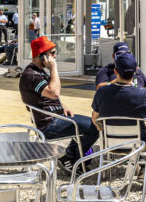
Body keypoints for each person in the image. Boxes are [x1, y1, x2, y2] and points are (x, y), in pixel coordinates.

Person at [20, 36, 98, 171]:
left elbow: (49, 97)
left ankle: (69, 157)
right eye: (52, 53)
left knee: (92, 124)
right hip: (49, 125)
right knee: (95, 126)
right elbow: (54, 93)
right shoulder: (31, 75)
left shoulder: (38, 72)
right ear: (42, 56)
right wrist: (53, 69)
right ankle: (74, 160)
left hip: (57, 118)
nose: (55, 56)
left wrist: (63, 107)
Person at [91, 52, 146, 162]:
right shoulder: (143, 95)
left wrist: (100, 127)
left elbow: (95, 118)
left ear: (115, 71)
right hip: (138, 144)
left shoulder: (101, 92)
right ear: (136, 71)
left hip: (110, 144)